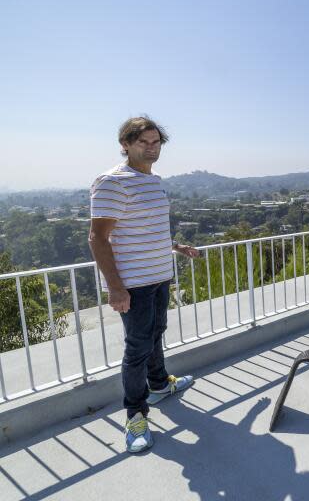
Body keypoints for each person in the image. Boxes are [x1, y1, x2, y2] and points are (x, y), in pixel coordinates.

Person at [88, 116, 199, 454]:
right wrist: (115, 287)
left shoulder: (154, 181)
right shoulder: (112, 182)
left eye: (156, 143)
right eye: (143, 142)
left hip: (160, 275)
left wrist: (176, 247)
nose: (151, 148)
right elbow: (98, 238)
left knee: (156, 333)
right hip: (134, 284)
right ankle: (135, 414)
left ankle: (160, 384)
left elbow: (148, 229)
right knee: (137, 347)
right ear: (126, 144)